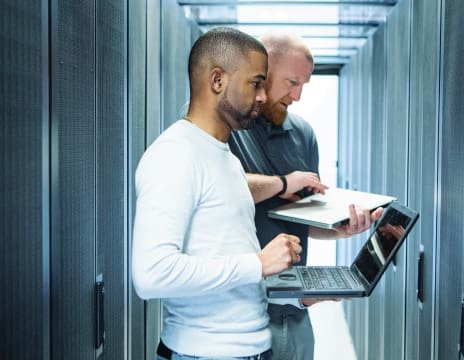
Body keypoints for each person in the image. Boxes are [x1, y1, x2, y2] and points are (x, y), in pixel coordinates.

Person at [132, 27, 304, 360]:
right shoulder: (175, 154)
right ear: (217, 80)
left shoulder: (224, 157)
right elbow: (151, 275)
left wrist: (296, 295)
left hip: (250, 349)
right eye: (255, 83)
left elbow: (228, 261)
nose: (263, 97)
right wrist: (257, 263)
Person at [228, 32, 384, 360]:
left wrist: (340, 228)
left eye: (305, 85)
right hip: (240, 317)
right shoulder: (226, 123)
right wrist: (283, 183)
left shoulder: (303, 134)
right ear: (263, 69)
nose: (297, 95)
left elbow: (303, 217)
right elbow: (215, 191)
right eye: (291, 82)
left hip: (297, 312)